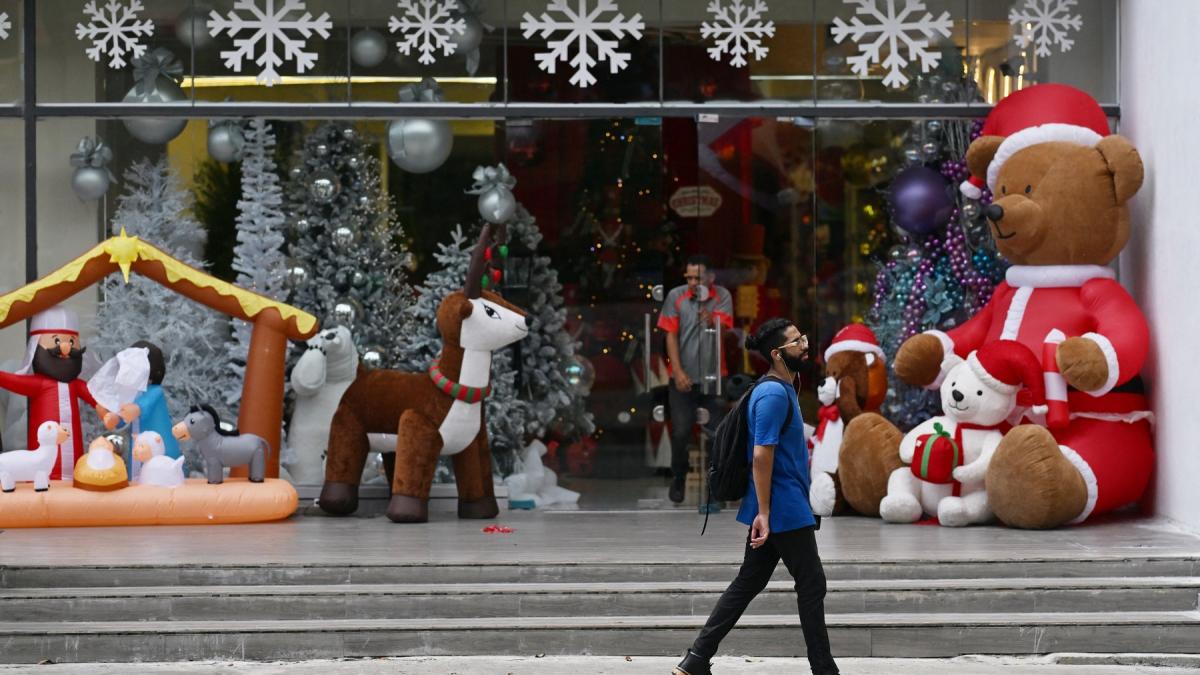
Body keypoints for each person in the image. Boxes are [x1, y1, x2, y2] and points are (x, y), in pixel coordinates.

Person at [674, 318, 838, 675]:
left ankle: (696, 659)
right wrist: (763, 512)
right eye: (797, 342)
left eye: (804, 337)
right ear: (778, 354)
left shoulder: (784, 387)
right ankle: (824, 670)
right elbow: (762, 455)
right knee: (812, 584)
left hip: (781, 503)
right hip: (782, 506)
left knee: (750, 581)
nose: (805, 345)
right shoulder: (772, 395)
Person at [0, 305, 129, 480]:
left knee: (74, 469)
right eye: (56, 341)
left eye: (71, 341)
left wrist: (104, 413)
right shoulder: (39, 384)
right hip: (44, 471)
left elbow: (93, 396)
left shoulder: (75, 384)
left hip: (74, 461)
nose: (66, 348)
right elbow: (13, 382)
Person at [657, 254, 733, 503]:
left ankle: (715, 484)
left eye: (697, 278)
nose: (692, 282)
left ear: (710, 278)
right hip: (683, 377)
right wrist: (677, 372)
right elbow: (670, 336)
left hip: (714, 377)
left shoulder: (722, 296)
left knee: (717, 433)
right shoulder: (675, 297)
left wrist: (712, 320)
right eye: (688, 277)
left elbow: (725, 331)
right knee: (680, 431)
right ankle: (679, 477)